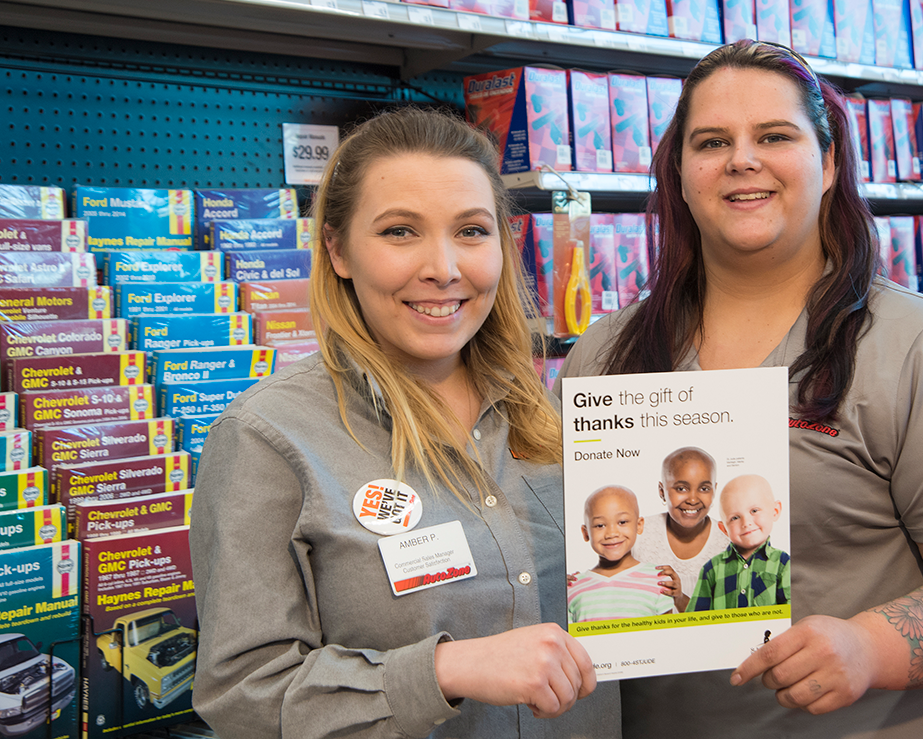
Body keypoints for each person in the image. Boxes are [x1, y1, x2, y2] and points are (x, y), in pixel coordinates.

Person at [555, 40, 923, 739]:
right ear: (679, 172)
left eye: (774, 136)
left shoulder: (918, 347)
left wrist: (874, 647)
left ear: (830, 163)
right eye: (712, 141)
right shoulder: (605, 355)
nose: (742, 159)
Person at [190, 107, 618, 739]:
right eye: (399, 232)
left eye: (471, 231)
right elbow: (243, 696)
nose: (443, 267)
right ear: (336, 249)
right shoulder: (268, 440)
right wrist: (444, 669)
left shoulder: (551, 417)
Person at [633, 446, 728, 612]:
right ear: (662, 491)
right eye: (681, 488)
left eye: (704, 488)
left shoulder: (728, 542)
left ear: (714, 490)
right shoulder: (640, 534)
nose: (692, 499)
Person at [568, 485, 675, 623]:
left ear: (639, 525)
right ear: (586, 532)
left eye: (622, 522)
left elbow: (669, 636)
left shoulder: (659, 579)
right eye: (600, 525)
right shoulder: (573, 587)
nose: (612, 534)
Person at [688, 474, 790, 611]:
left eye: (754, 511)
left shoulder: (783, 563)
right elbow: (695, 619)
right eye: (735, 518)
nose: (746, 523)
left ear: (775, 511)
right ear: (724, 529)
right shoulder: (711, 569)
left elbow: (790, 616)